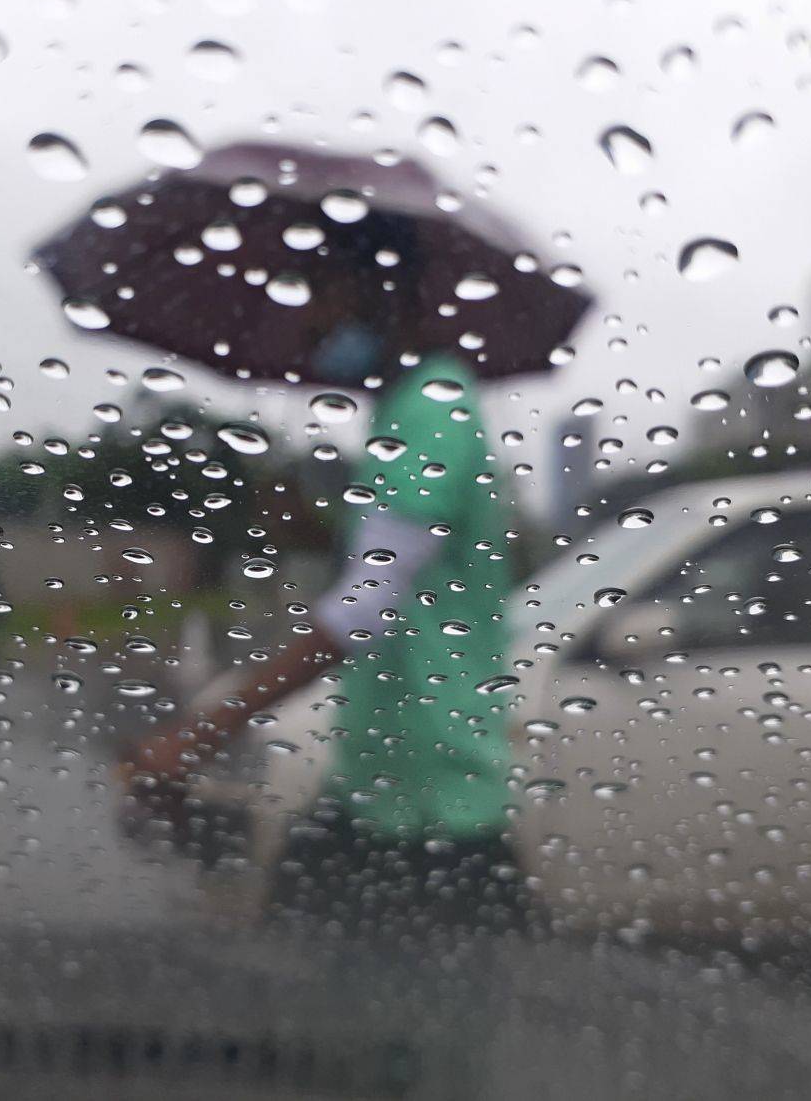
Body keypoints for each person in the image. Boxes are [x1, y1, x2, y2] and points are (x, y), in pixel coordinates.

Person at [127, 221, 526, 947]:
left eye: (322, 292)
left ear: (382, 291)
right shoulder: (401, 410)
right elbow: (399, 563)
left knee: (377, 996)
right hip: (379, 787)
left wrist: (200, 732)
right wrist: (307, 528)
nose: (310, 320)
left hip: (435, 809)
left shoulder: (432, 408)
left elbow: (367, 603)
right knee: (311, 977)